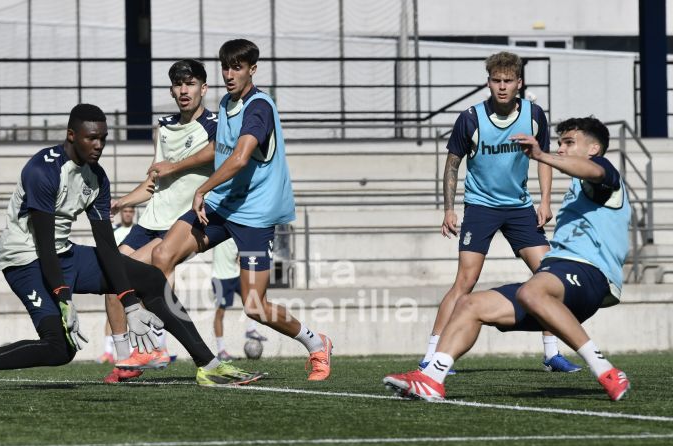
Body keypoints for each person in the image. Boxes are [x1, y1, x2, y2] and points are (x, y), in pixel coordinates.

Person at [0, 104, 264, 392]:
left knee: (149, 278)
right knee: (59, 349)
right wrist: (64, 298)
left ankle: (207, 365)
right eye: (91, 138)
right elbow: (43, 244)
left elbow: (106, 246)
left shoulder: (98, 178)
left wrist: (131, 304)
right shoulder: (42, 170)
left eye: (103, 138)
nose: (99, 145)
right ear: (71, 136)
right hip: (25, 261)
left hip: (64, 254)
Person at [384, 117, 631, 402]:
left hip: (589, 274)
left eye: (569, 143)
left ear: (594, 149)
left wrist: (540, 155)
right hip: (558, 278)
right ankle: (432, 379)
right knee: (469, 304)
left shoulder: (604, 173)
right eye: (560, 142)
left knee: (532, 291)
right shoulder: (579, 186)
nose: (561, 148)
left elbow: (593, 170)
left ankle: (605, 370)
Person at [151, 39, 333, 381]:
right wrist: (180, 169)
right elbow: (219, 150)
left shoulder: (259, 107)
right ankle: (167, 344)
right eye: (226, 67)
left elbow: (239, 158)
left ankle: (316, 343)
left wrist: (202, 188)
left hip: (254, 216)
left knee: (254, 306)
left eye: (237, 67)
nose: (229, 74)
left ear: (252, 69)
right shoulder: (226, 102)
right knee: (162, 256)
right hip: (223, 205)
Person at [421, 51, 580, 373]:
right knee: (465, 281)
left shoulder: (534, 114)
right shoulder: (471, 118)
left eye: (508, 81)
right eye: (497, 81)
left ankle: (551, 354)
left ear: (519, 83)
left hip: (519, 208)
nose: (502, 86)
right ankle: (431, 354)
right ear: (488, 83)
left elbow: (542, 158)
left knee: (549, 276)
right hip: (480, 207)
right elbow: (452, 165)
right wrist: (449, 209)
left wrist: (545, 201)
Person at [104, 59, 217, 382]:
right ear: (171, 90)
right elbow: (153, 181)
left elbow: (218, 153)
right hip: (149, 221)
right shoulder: (164, 127)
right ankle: (125, 360)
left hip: (178, 223)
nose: (184, 90)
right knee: (111, 281)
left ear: (203, 88)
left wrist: (175, 166)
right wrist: (122, 202)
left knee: (155, 268)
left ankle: (156, 345)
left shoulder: (214, 125)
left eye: (190, 84)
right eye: (178, 85)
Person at [210, 238, 267, 362]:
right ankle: (221, 351)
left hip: (236, 275)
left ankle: (251, 329)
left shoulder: (239, 235)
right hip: (220, 278)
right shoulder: (220, 231)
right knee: (220, 313)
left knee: (253, 296)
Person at [98, 205, 139, 364]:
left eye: (130, 211)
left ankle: (134, 350)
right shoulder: (114, 231)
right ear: (121, 213)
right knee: (112, 312)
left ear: (134, 213)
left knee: (133, 312)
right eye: (125, 211)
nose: (128, 214)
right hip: (115, 274)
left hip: (133, 274)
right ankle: (108, 352)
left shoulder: (137, 232)